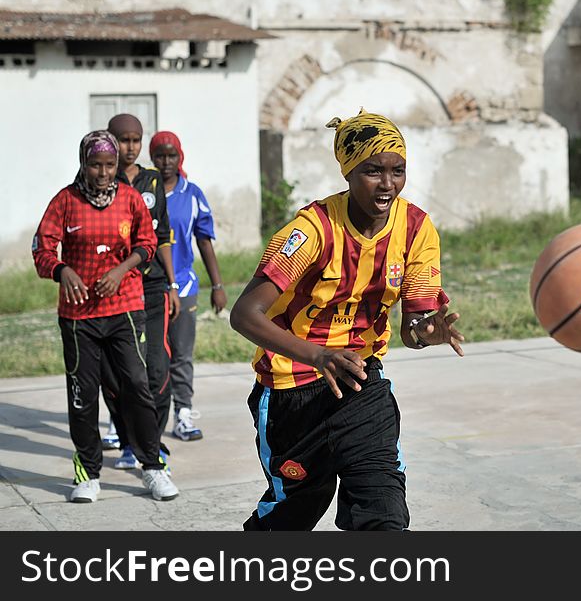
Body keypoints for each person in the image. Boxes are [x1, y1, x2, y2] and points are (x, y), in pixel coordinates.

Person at [230, 109, 465, 531]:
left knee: (383, 507)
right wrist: (319, 356)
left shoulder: (416, 228)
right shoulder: (311, 230)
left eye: (398, 170)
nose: (388, 184)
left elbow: (414, 326)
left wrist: (426, 331)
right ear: (349, 172)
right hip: (291, 391)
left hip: (361, 381)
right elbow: (245, 314)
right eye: (373, 171)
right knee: (298, 507)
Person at [32, 130, 179, 502]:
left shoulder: (130, 199)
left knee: (137, 386)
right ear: (83, 163)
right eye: (95, 164)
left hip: (125, 310)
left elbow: (147, 243)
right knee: (82, 394)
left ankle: (152, 467)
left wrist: (121, 270)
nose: (102, 172)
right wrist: (62, 270)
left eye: (109, 165)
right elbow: (42, 247)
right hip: (78, 316)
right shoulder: (65, 201)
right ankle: (88, 474)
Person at [100, 114, 180, 471]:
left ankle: (153, 442)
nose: (130, 147)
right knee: (117, 374)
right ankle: (128, 441)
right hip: (115, 289)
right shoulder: (99, 178)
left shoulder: (151, 180)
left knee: (156, 369)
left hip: (152, 288)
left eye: (135, 140)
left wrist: (173, 284)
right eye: (123, 140)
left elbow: (161, 237)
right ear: (111, 141)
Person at [152, 131, 226, 441]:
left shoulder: (192, 194)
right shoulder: (144, 191)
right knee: (147, 355)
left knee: (181, 355)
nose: (166, 162)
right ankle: (134, 418)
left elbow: (204, 241)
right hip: (149, 287)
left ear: (180, 157)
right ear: (152, 158)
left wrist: (217, 284)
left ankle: (182, 414)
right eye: (160, 155)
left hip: (184, 286)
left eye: (172, 156)